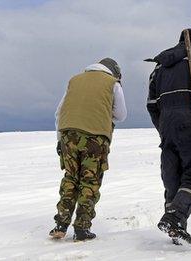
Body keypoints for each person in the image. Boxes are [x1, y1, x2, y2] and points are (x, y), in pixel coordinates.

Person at [146, 29, 191, 244]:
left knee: (173, 176)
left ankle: (174, 226)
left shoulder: (159, 68)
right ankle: (175, 218)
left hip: (166, 125)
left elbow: (151, 105)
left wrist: (163, 127)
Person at [50, 58, 127, 241]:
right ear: (114, 72)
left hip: (68, 135)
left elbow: (59, 112)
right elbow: (121, 115)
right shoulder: (113, 83)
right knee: (89, 181)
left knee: (70, 178)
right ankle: (82, 229)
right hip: (94, 138)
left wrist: (60, 140)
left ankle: (60, 224)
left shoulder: (74, 80)